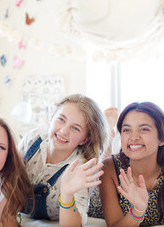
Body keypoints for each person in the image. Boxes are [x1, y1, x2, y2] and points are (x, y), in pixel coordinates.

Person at [100, 102, 164, 226]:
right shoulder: (110, 169)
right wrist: (138, 211)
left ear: (161, 138)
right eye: (126, 130)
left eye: (144, 129)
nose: (133, 137)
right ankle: (109, 132)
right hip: (105, 176)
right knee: (99, 161)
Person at [18, 94, 110, 226]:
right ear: (51, 118)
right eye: (61, 119)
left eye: (75, 128)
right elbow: (8, 177)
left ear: (84, 139)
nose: (63, 130)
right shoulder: (33, 139)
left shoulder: (83, 168)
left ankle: (110, 126)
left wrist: (67, 192)